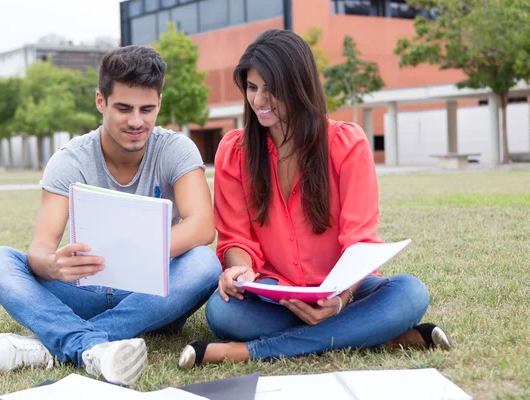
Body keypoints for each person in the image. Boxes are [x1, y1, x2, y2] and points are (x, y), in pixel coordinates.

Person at [177, 29, 450, 368]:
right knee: (223, 313)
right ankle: (383, 335)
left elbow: (359, 241)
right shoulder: (234, 152)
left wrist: (340, 300)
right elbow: (236, 239)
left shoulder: (346, 144)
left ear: (299, 86)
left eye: (271, 89)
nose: (259, 101)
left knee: (411, 293)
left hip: (345, 292)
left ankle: (246, 352)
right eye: (252, 87)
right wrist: (240, 270)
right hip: (274, 294)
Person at [0, 45, 221, 385]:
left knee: (205, 264)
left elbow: (202, 226)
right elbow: (39, 248)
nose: (136, 121)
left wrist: (135, 252)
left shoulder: (176, 149)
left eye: (146, 109)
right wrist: (52, 264)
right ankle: (91, 346)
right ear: (100, 102)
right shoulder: (70, 159)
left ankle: (59, 344)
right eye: (123, 108)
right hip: (84, 292)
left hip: (152, 295)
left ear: (159, 104)